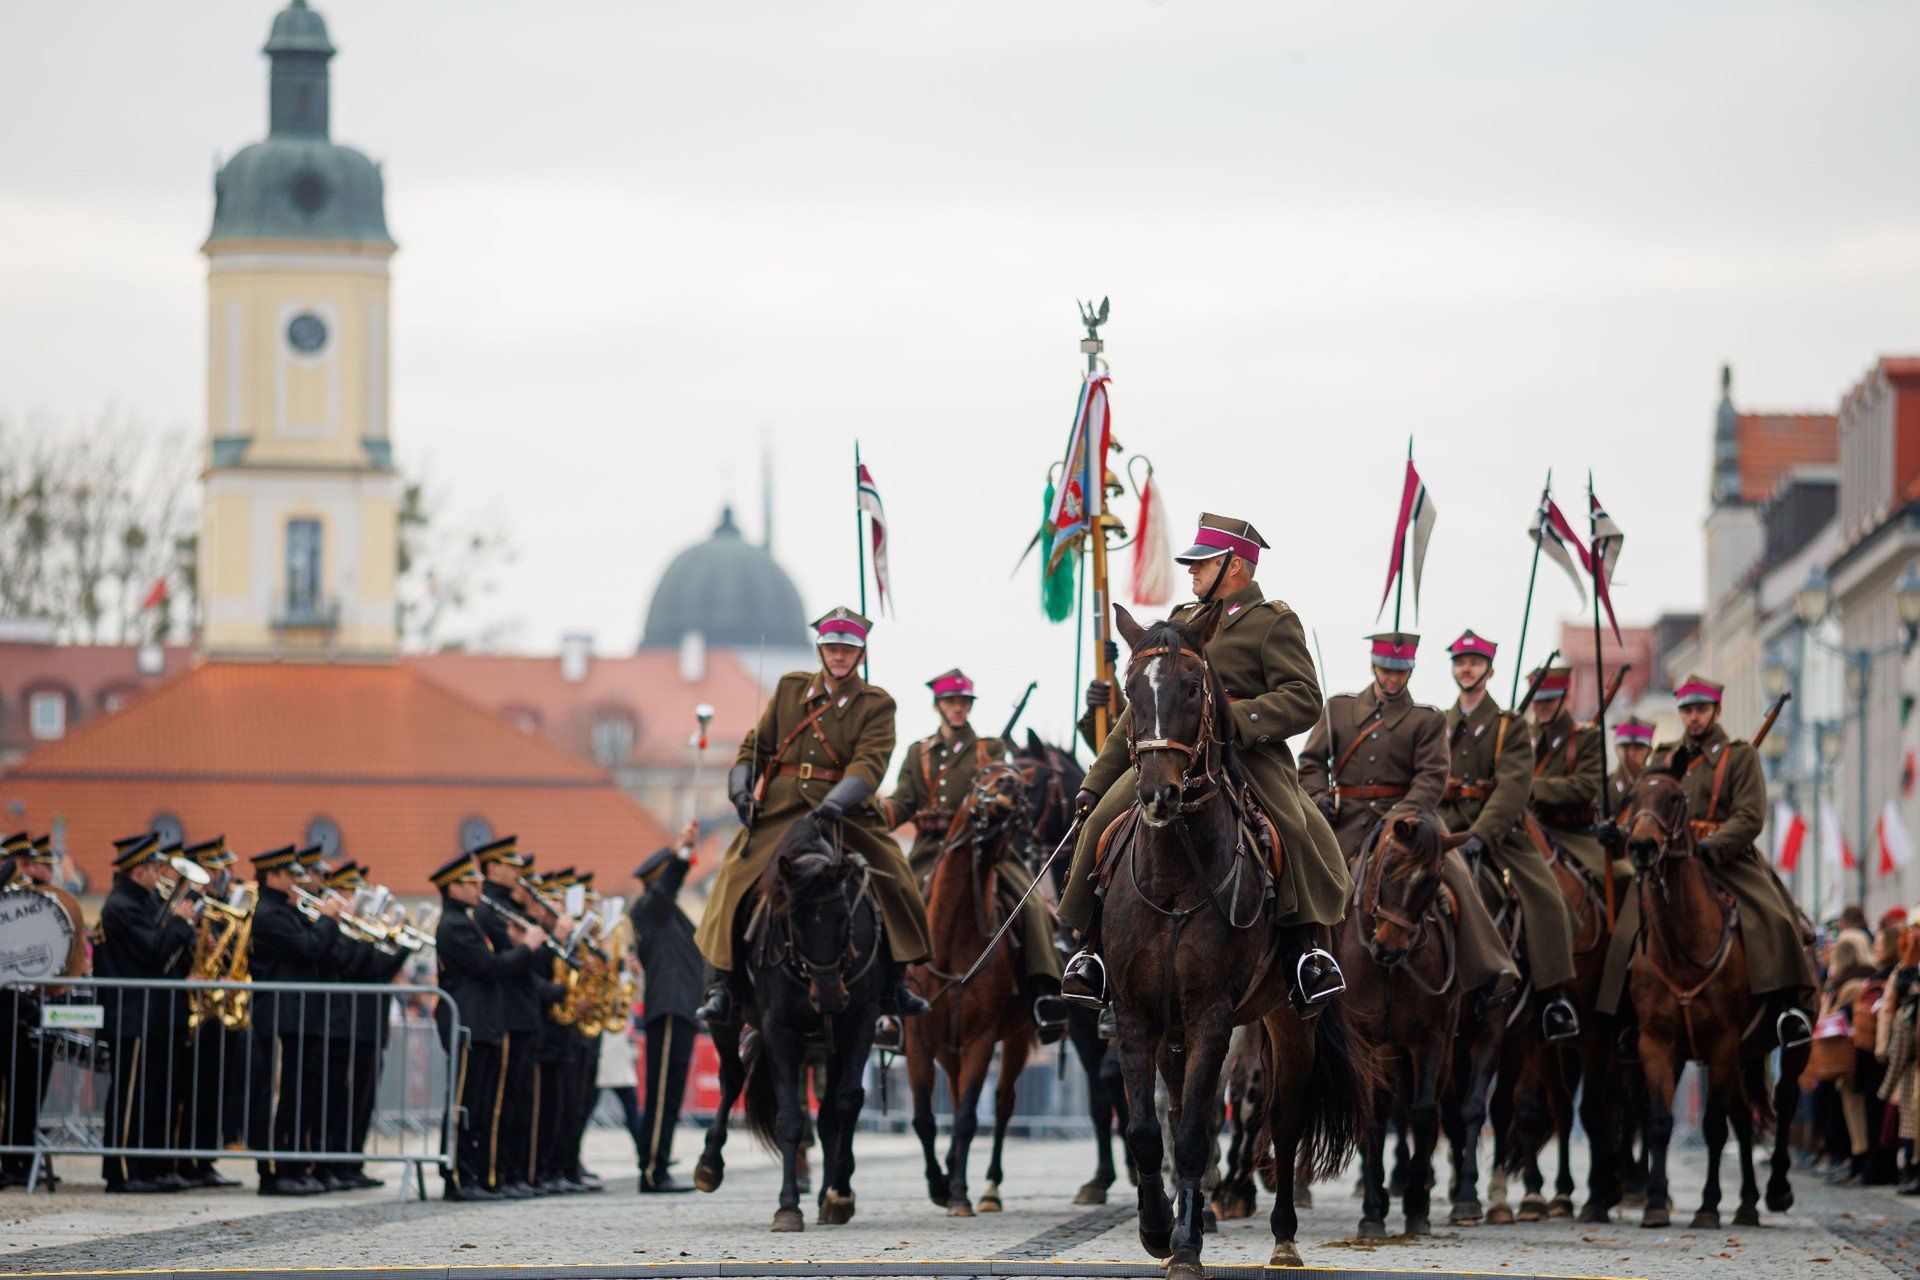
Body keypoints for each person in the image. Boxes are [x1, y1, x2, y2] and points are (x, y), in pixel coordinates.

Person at [1057, 514, 1350, 1011]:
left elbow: (1304, 697)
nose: (1191, 572)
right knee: (1101, 824)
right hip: (1171, 753)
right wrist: (1096, 781)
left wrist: (1234, 718)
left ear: (1234, 566)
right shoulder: (1181, 619)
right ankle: (1092, 951)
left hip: (1245, 756)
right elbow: (1137, 712)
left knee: (1296, 832)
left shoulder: (1272, 621)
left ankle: (1306, 955)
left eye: (1202, 563)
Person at [695, 608, 934, 1043]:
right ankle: (723, 984)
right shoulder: (790, 690)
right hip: (781, 808)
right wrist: (741, 790)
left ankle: (895, 982)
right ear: (821, 650)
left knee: (895, 874)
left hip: (843, 810)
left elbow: (870, 762)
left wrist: (834, 804)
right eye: (832, 649)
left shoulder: (876, 704)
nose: (839, 656)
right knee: (733, 875)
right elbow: (757, 745)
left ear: (859, 655)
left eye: (847, 650)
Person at [1300, 631, 1521, 1013]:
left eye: (1400, 671)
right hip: (1347, 818)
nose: (1392, 678)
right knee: (1303, 871)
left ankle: (1489, 967)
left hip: (1407, 822)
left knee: (1456, 875)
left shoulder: (1427, 719)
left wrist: (1400, 815)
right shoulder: (1338, 709)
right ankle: (1300, 966)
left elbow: (1433, 777)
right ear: (1374, 666)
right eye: (1386, 670)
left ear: (1410, 671)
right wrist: (1320, 797)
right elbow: (1311, 764)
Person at [882, 669, 1066, 1041]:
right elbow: (902, 801)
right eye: (951, 702)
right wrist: (878, 814)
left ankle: (1043, 994)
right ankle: (887, 1004)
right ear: (939, 706)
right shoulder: (919, 753)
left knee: (1028, 905)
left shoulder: (989, 749)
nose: (957, 709)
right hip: (930, 848)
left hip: (985, 850)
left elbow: (1004, 791)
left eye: (963, 702)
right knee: (894, 904)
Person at [1434, 630, 1580, 1040]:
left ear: (1490, 670)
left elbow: (1513, 788)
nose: (1467, 669)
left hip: (1497, 832)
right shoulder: (1438, 725)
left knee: (1547, 899)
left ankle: (1553, 999)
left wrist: (1483, 834)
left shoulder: (1509, 727)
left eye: (1475, 663)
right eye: (1461, 663)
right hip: (1445, 826)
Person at [432, 850, 547, 1201]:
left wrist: (515, 946)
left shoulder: (468, 920)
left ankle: (473, 1174)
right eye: (468, 882)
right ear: (452, 887)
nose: (477, 886)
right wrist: (525, 948)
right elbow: (488, 966)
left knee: (478, 1104)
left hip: (480, 1022)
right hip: (467, 1021)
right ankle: (457, 1175)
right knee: (464, 1103)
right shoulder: (455, 924)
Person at [94, 833, 198, 1193]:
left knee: (153, 1095)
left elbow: (168, 958)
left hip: (152, 1013)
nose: (161, 875)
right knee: (130, 1095)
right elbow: (153, 951)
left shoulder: (147, 902)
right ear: (139, 870)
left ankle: (149, 1167)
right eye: (156, 868)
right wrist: (180, 924)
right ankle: (122, 1170)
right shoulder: (122, 906)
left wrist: (188, 933)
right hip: (131, 1013)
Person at [246, 844, 342, 1196]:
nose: (297, 881)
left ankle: (295, 1165)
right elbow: (308, 947)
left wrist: (324, 922)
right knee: (279, 1096)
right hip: (281, 1015)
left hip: (301, 1015)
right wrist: (328, 920)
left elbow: (324, 952)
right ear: (272, 876)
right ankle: (274, 1169)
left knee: (300, 1095)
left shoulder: (288, 910)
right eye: (290, 875)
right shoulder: (269, 913)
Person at [316, 859, 407, 1191]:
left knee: (362, 1098)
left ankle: (352, 1161)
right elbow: (351, 966)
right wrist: (366, 937)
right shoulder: (336, 931)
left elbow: (379, 970)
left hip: (370, 1024)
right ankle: (335, 1162)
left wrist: (400, 946)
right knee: (340, 1099)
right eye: (351, 891)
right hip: (345, 1024)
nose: (357, 899)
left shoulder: (354, 932)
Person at [628, 822, 703, 1192]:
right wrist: (683, 853)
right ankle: (652, 1170)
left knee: (670, 1096)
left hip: (682, 1010)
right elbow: (669, 883)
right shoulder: (649, 909)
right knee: (661, 1095)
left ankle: (657, 1164)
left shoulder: (669, 914)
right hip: (669, 1010)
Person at [475, 836, 545, 1198]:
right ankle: (500, 1172)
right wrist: (529, 943)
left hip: (523, 1014)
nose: (518, 875)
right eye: (511, 867)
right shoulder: (489, 909)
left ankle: (516, 1171)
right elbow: (504, 962)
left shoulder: (506, 907)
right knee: (502, 1102)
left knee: (520, 1100)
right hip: (507, 1015)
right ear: (492, 867)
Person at [1607, 717, 1656, 820]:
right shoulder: (1605, 783)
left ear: (1649, 750)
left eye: (1638, 748)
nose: (1631, 754)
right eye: (1625, 747)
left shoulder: (1657, 786)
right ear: (1616, 748)